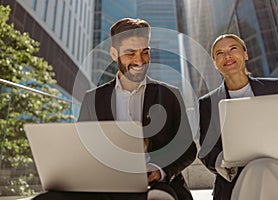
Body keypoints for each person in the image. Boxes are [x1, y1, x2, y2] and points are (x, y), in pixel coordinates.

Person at [33, 18, 197, 200]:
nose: (139, 60)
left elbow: (187, 149)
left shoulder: (169, 95)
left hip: (157, 185)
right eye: (130, 53)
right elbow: (83, 150)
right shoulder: (93, 99)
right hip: (104, 185)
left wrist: (159, 171)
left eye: (145, 52)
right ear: (114, 54)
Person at [198, 33, 278, 200]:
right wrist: (225, 160)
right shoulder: (208, 103)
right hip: (237, 177)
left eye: (233, 49)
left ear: (245, 54)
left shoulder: (275, 87)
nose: (227, 56)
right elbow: (207, 150)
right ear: (215, 64)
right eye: (219, 53)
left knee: (265, 170)